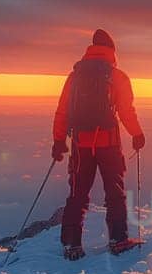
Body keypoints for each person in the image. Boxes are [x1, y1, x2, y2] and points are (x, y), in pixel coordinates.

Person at [52, 29, 146, 260]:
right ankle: (118, 239)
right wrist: (137, 133)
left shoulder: (75, 76)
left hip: (81, 144)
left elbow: (63, 110)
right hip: (109, 143)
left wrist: (58, 140)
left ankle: (72, 244)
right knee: (115, 192)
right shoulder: (117, 76)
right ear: (112, 51)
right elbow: (125, 110)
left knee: (78, 193)